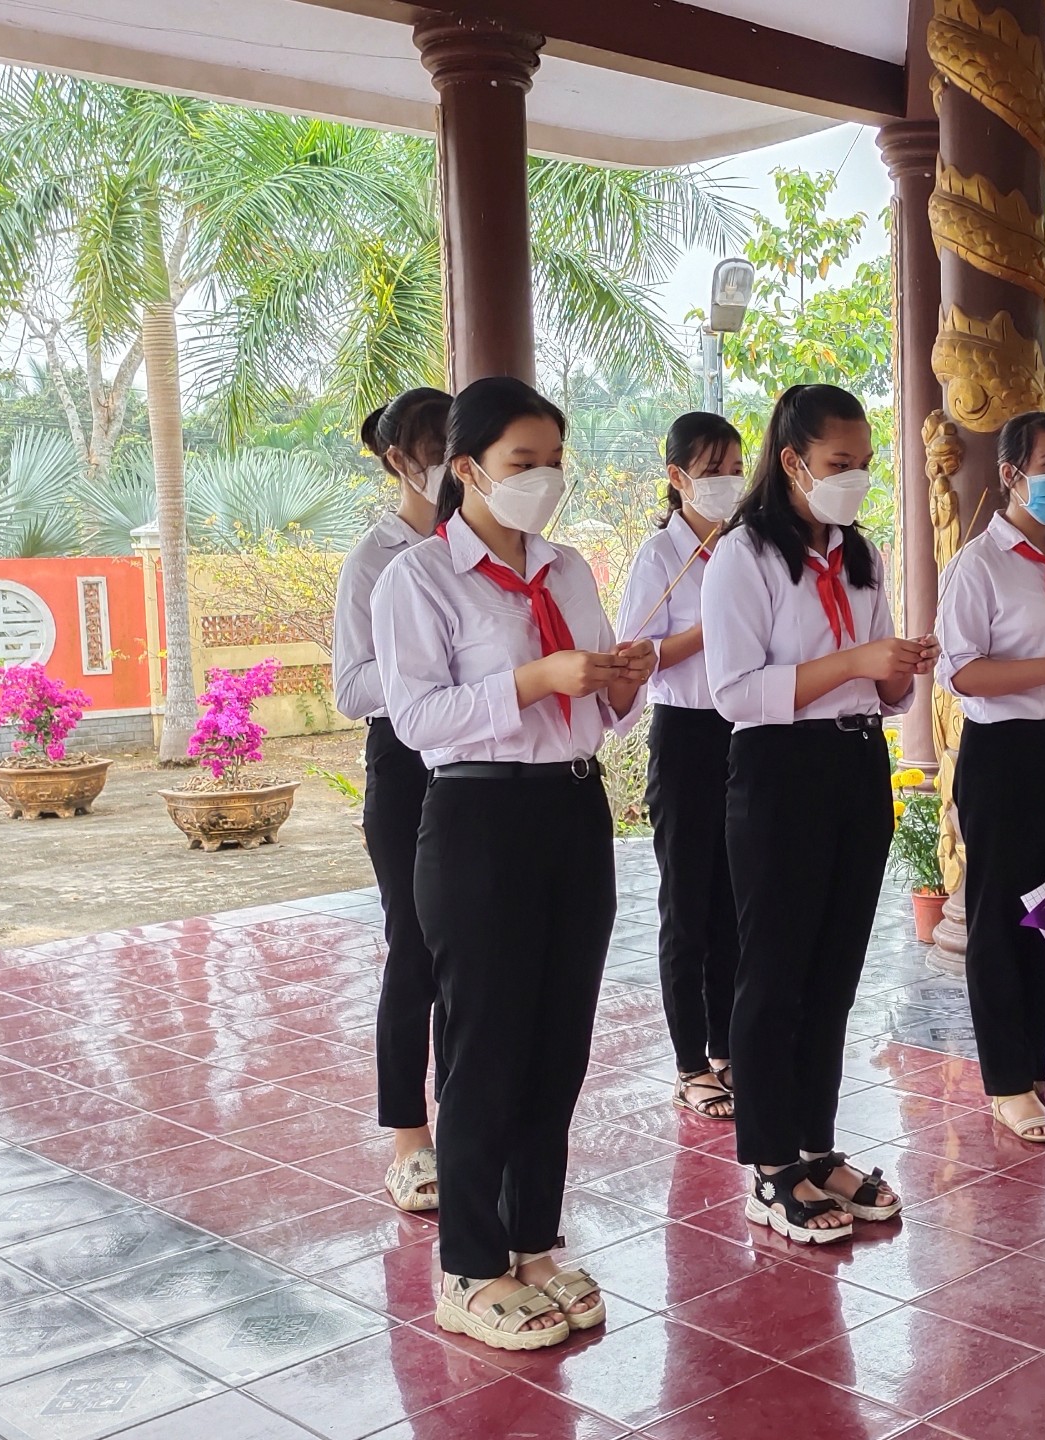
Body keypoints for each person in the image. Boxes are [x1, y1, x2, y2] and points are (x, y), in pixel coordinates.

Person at [369, 375, 655, 1351]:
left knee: (558, 1041)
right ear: (467, 468)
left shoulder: (567, 570)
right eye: (522, 461)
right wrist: (532, 679)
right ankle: (468, 1263)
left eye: (554, 461)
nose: (544, 478)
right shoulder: (417, 578)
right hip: (479, 815)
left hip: (573, 807)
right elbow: (418, 717)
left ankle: (533, 1242)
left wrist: (623, 681)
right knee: (486, 1043)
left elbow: (602, 708)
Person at [703, 383, 934, 1244]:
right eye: (840, 463)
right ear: (793, 461)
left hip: (854, 761)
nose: (855, 478)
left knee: (834, 968)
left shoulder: (857, 553)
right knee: (775, 970)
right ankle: (769, 1165)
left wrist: (899, 668)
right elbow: (736, 692)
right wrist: (855, 662)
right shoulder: (744, 556)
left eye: (865, 463)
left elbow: (882, 691)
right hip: (778, 769)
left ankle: (815, 1144)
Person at [936, 410, 1045, 1144]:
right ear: (1011, 474)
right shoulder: (978, 565)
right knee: (998, 921)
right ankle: (1006, 1084)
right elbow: (961, 672)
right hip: (1003, 755)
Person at [336, 387, 453, 1212]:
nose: (452, 467)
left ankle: (470, 1119)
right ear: (398, 462)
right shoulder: (373, 560)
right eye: (436, 452)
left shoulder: (486, 546)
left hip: (477, 764)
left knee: (476, 956)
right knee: (414, 948)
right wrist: (432, 677)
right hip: (408, 767)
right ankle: (410, 1140)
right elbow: (350, 688)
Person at [617, 412, 748, 1124]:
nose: (728, 483)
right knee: (688, 904)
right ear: (677, 477)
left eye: (736, 470)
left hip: (744, 732)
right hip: (686, 735)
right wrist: (712, 627)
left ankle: (727, 1047)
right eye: (712, 471)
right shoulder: (658, 557)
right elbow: (638, 654)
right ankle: (690, 1063)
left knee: (737, 899)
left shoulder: (747, 545)